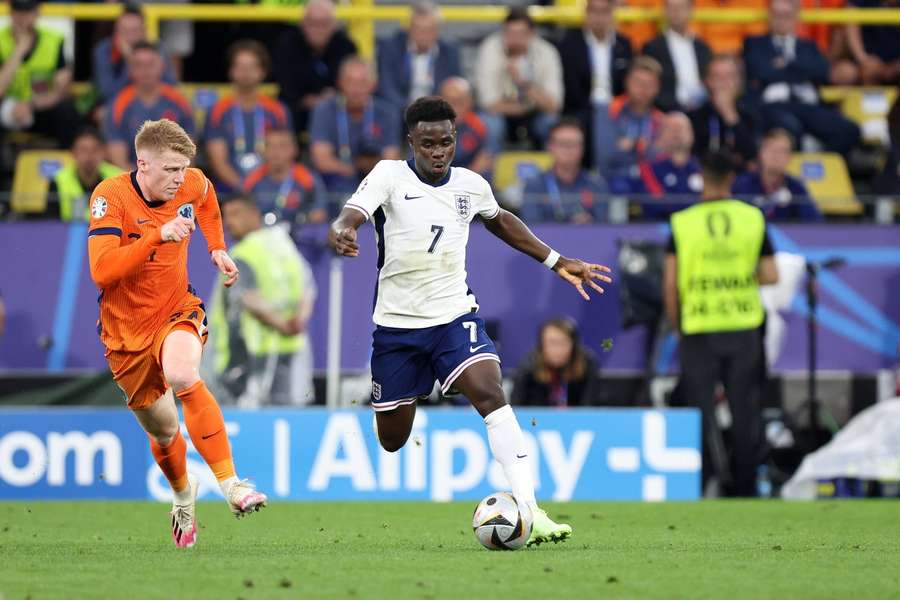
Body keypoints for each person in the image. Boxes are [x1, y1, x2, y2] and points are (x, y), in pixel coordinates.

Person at [329, 96, 613, 545]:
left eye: (445, 142)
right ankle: (406, 394)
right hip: (397, 328)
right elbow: (354, 212)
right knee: (392, 439)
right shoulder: (388, 175)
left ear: (454, 139)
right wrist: (342, 229)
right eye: (428, 144)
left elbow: (500, 221)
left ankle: (531, 510)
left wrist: (557, 261)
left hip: (453, 314)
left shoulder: (470, 184)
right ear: (411, 142)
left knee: (488, 390)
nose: (438, 152)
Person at [87, 119, 267, 548]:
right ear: (142, 163)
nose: (178, 179)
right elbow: (102, 271)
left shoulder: (191, 182)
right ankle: (184, 498)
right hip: (125, 333)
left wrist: (216, 247)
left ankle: (232, 486)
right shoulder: (109, 198)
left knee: (184, 374)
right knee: (165, 432)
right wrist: (156, 235)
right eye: (169, 170)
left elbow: (206, 198)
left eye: (183, 168)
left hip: (175, 310)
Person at [663, 150, 779, 497]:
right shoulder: (752, 218)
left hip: (698, 327)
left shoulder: (682, 222)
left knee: (700, 412)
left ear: (702, 176)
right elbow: (771, 274)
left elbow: (670, 284)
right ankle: (743, 488)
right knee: (745, 408)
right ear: (731, 178)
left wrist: (678, 327)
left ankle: (701, 483)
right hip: (744, 325)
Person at [210, 194, 316, 407]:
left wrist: (283, 325)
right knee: (285, 415)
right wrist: (299, 321)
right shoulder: (284, 245)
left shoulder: (242, 253)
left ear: (254, 215)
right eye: (225, 216)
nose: (228, 222)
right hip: (289, 350)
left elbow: (248, 299)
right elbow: (307, 287)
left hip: (247, 354)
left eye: (234, 214)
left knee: (246, 422)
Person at [742, 0, 860, 155]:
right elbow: (761, 71)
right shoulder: (755, 43)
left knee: (849, 129)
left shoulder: (809, 46)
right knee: (790, 127)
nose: (781, 20)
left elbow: (823, 72)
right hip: (773, 106)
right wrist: (800, 67)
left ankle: (821, 166)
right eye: (777, 15)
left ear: (796, 16)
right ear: (769, 16)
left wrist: (784, 64)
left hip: (808, 105)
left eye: (787, 15)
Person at [204, 40, 292, 192]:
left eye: (252, 67)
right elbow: (218, 162)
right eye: (240, 66)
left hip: (270, 190)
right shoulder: (218, 111)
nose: (246, 72)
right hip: (229, 190)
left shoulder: (277, 110)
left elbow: (285, 154)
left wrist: (263, 189)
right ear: (231, 71)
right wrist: (245, 188)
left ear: (263, 71)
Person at [474, 8, 563, 152]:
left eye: (520, 34)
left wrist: (524, 83)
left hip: (536, 114)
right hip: (503, 114)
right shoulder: (490, 49)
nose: (514, 39)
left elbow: (554, 105)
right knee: (489, 123)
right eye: (509, 33)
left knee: (551, 122)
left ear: (532, 34)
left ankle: (550, 172)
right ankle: (487, 171)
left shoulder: (547, 52)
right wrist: (526, 107)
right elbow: (488, 104)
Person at [309, 57, 402, 194]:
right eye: (350, 82)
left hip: (376, 184)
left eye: (362, 82)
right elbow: (322, 160)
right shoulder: (324, 110)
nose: (356, 89)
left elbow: (391, 159)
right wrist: (357, 167)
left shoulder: (387, 112)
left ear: (373, 84)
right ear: (340, 83)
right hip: (334, 185)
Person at [557, 0, 633, 165]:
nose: (599, 17)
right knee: (593, 120)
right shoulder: (569, 45)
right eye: (594, 12)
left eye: (604, 12)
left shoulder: (624, 44)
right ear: (586, 13)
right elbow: (570, 88)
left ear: (612, 14)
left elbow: (627, 84)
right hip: (582, 108)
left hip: (618, 108)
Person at [0, 0, 79, 147]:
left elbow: (60, 92)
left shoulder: (54, 40)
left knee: (67, 112)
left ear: (37, 13)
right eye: (18, 11)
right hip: (6, 108)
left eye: (28, 11)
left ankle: (66, 164)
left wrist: (30, 105)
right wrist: (19, 50)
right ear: (11, 13)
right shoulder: (1, 40)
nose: (23, 17)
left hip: (38, 107)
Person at [105, 42, 194, 170]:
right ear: (130, 69)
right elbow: (118, 162)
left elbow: (188, 155)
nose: (145, 70)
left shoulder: (180, 103)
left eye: (151, 64)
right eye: (139, 65)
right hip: (133, 181)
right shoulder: (117, 106)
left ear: (162, 66)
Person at [274, 0, 357, 134]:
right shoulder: (286, 45)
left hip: (337, 106)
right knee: (284, 110)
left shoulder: (346, 46)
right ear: (302, 24)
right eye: (312, 23)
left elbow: (350, 84)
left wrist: (333, 96)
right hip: (298, 108)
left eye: (323, 24)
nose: (317, 29)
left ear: (334, 25)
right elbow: (286, 86)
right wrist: (309, 100)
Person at [376, 1, 462, 121]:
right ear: (409, 28)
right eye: (418, 29)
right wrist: (412, 110)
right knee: (389, 112)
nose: (423, 35)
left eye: (428, 30)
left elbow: (454, 86)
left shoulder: (450, 52)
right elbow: (386, 87)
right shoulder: (390, 48)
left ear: (437, 30)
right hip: (401, 109)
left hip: (437, 110)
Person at [520, 118, 608, 224]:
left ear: (583, 148)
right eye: (563, 143)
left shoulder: (596, 184)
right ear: (550, 147)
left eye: (574, 144)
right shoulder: (535, 186)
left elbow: (604, 225)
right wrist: (569, 224)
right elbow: (530, 229)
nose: (569, 149)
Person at [596, 56, 664, 183]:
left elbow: (660, 163)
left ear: (658, 88)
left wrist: (630, 145)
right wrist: (642, 147)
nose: (643, 89)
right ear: (626, 82)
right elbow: (604, 160)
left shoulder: (661, 120)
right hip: (612, 185)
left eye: (650, 84)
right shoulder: (608, 111)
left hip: (649, 188)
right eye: (638, 82)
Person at [92, 5, 177, 105]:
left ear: (144, 32)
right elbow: (109, 93)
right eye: (124, 31)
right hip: (118, 105)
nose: (129, 38)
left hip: (153, 104)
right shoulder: (104, 49)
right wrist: (131, 62)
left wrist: (151, 63)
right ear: (116, 31)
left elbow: (171, 85)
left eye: (134, 31)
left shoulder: (158, 48)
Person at [732, 128, 822, 221]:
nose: (776, 156)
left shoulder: (796, 188)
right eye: (771, 149)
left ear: (790, 157)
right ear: (760, 153)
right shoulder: (742, 184)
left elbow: (814, 222)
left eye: (782, 151)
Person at [243, 127, 328, 225]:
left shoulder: (308, 179)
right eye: (270, 146)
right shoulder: (251, 180)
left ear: (294, 150)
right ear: (263, 151)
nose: (275, 152)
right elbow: (242, 214)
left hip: (298, 233)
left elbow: (320, 214)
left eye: (282, 146)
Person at [511, 317, 602, 407]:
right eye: (552, 342)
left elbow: (589, 409)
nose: (558, 350)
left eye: (563, 342)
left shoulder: (587, 364)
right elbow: (516, 407)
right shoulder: (528, 366)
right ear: (541, 345)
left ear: (573, 345)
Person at [689, 54, 759, 169]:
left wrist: (730, 115)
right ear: (707, 81)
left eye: (729, 77)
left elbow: (752, 156)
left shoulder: (751, 114)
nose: (723, 83)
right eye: (717, 77)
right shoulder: (694, 116)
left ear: (738, 82)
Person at [642, 0, 712, 112]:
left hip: (702, 111)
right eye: (671, 7)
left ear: (691, 10)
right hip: (667, 111)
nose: (676, 12)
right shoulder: (652, 47)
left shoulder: (703, 48)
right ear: (664, 11)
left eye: (681, 7)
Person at [633, 112, 703, 219]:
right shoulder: (648, 169)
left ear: (692, 134)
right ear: (660, 136)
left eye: (681, 128)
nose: (677, 132)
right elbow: (656, 205)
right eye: (671, 128)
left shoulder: (704, 169)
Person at [48, 127, 121, 221]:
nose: (89, 156)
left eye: (94, 150)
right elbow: (49, 223)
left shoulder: (118, 179)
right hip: (69, 233)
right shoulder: (58, 180)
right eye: (83, 150)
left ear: (103, 152)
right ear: (74, 153)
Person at [439, 77, 492, 175]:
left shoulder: (480, 126)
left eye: (459, 101)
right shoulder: (426, 129)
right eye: (449, 101)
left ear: (470, 102)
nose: (454, 107)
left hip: (469, 183)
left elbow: (483, 163)